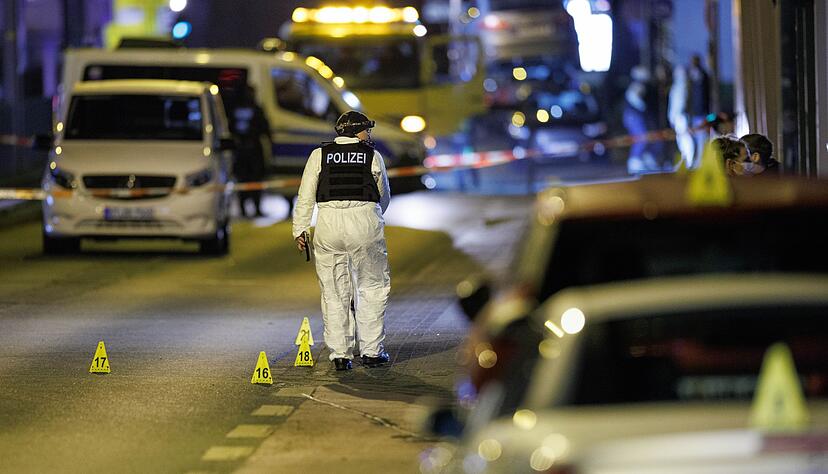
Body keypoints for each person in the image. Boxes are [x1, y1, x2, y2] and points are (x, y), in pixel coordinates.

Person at [292, 111, 391, 371]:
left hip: (328, 224)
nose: (369, 135)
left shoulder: (319, 155)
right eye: (366, 130)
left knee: (334, 291)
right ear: (356, 131)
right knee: (371, 287)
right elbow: (384, 196)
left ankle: (340, 354)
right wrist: (371, 215)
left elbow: (305, 196)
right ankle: (371, 351)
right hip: (363, 221)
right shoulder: (372, 156)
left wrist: (300, 230)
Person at [231, 85, 271, 217]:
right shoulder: (256, 109)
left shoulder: (236, 108)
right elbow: (265, 128)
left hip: (245, 150)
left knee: (248, 180)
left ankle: (251, 208)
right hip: (250, 151)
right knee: (250, 180)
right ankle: (251, 208)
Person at [688, 54, 711, 166]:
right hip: (698, 112)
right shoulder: (697, 76)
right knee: (698, 137)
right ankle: (699, 160)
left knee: (701, 137)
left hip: (701, 112)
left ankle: (701, 161)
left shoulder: (701, 75)